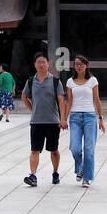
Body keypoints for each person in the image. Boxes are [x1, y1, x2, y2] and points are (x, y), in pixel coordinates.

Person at [21, 53, 66, 186]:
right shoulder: (30, 81)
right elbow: (24, 97)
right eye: (38, 62)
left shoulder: (55, 81)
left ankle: (55, 172)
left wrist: (62, 118)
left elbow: (61, 101)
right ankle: (33, 175)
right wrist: (33, 109)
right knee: (35, 149)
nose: (41, 65)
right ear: (35, 65)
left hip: (53, 122)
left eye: (43, 62)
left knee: (54, 150)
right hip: (36, 122)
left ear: (48, 63)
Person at [66, 54, 107, 187]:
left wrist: (100, 118)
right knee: (75, 148)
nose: (79, 66)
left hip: (90, 117)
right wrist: (63, 118)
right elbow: (69, 101)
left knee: (89, 149)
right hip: (75, 117)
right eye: (77, 64)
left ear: (86, 65)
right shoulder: (70, 82)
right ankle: (81, 168)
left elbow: (97, 100)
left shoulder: (93, 81)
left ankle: (87, 177)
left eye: (81, 64)